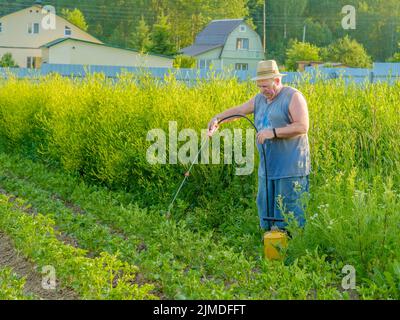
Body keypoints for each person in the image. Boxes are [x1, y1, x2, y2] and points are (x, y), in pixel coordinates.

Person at [207, 60, 311, 231]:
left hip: (291, 170)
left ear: (277, 81)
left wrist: (273, 132)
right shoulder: (260, 99)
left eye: (265, 86)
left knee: (289, 215)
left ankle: (291, 251)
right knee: (266, 211)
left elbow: (302, 126)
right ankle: (270, 250)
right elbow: (240, 111)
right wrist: (218, 118)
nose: (262, 90)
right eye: (259, 86)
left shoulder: (293, 97)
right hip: (268, 169)